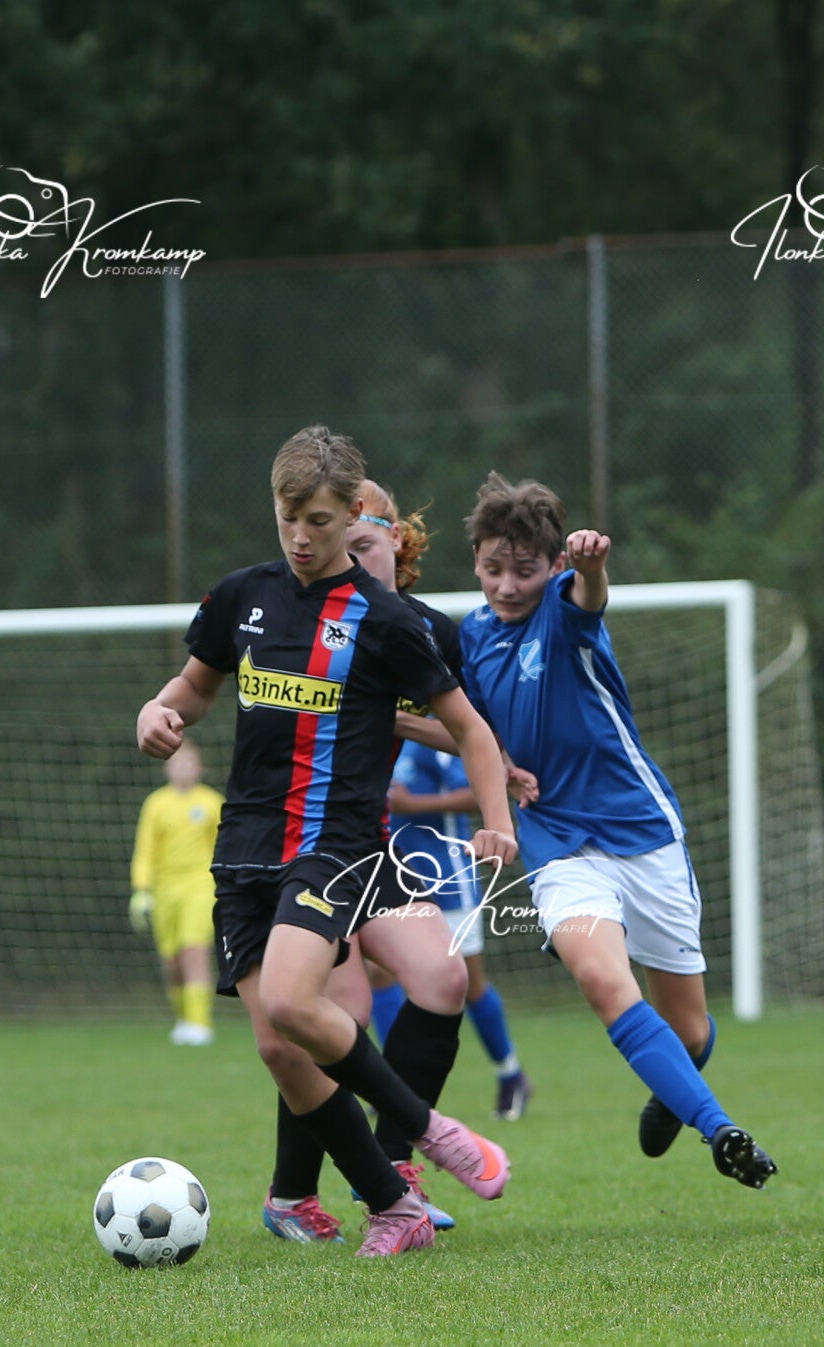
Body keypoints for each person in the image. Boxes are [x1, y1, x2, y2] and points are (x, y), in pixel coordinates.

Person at [136, 426, 518, 1257]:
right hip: (244, 847)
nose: (301, 537)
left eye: (318, 520)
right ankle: (388, 1206)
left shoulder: (386, 620)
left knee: (295, 1001)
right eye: (288, 518)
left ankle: (426, 1132)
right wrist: (156, 712)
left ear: (353, 515)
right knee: (281, 1043)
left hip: (333, 843)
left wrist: (496, 818)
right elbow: (193, 687)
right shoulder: (242, 596)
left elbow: (470, 730)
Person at [458, 473, 777, 1189]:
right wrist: (498, 759)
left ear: (553, 567)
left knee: (689, 1032)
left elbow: (589, 596)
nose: (506, 585)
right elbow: (466, 725)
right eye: (492, 567)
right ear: (475, 561)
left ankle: (673, 1090)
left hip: (642, 830)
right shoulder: (471, 636)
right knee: (603, 978)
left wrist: (591, 566)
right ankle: (720, 1129)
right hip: (556, 843)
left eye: (524, 569)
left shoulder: (562, 608)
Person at [260, 477, 522, 1242]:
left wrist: (494, 776)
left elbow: (467, 728)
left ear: (392, 541)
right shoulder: (305, 614)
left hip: (368, 844)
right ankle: (298, 1191)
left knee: (443, 975)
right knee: (332, 1013)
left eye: (362, 543)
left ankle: (392, 1162)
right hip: (303, 843)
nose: (344, 554)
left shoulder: (423, 630)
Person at [387, 738, 534, 1120]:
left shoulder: (436, 736)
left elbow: (476, 793)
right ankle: (392, 1086)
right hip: (391, 878)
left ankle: (511, 1074)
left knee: (469, 984)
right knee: (377, 974)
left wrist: (412, 805)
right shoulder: (379, 731)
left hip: (446, 879)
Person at [129, 736, 223, 1045]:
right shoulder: (156, 804)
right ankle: (183, 1020)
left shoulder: (212, 803)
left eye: (189, 763)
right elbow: (146, 850)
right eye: (177, 763)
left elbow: (223, 848)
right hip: (165, 889)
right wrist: (141, 890)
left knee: (194, 950)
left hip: (200, 885)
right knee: (172, 961)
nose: (183, 768)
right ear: (167, 768)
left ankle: (200, 1023)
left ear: (200, 768)